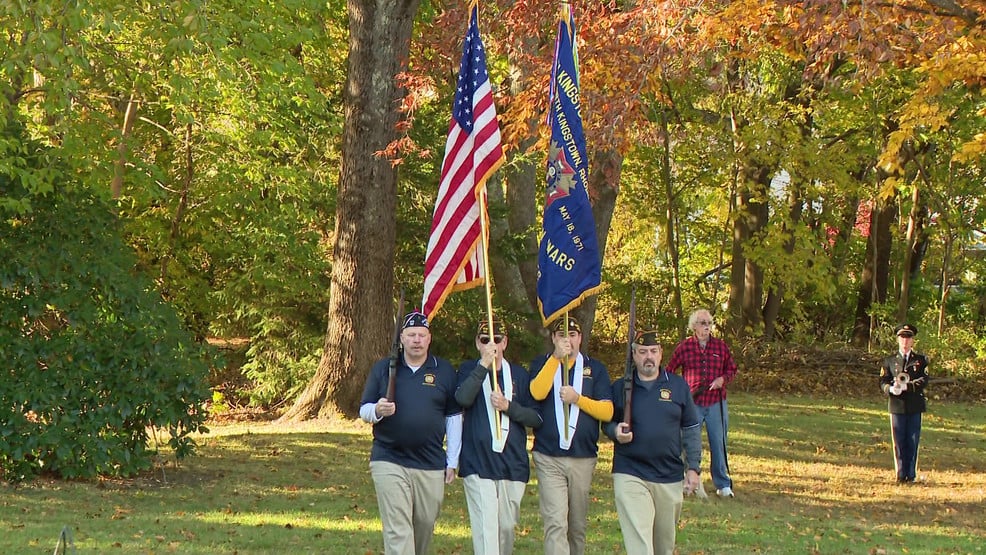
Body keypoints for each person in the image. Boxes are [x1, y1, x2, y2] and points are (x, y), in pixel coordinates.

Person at [359, 310, 463, 555]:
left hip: (430, 462)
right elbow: (364, 409)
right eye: (411, 334)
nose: (416, 340)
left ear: (429, 339)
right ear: (402, 339)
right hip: (389, 458)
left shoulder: (444, 371)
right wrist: (378, 409)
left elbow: (454, 417)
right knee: (398, 529)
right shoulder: (384, 368)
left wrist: (453, 460)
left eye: (421, 335)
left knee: (424, 524)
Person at [605, 329, 702, 555]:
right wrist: (614, 431)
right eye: (642, 352)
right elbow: (606, 423)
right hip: (630, 471)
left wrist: (694, 468)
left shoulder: (678, 386)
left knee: (663, 546)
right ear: (634, 355)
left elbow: (690, 428)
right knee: (640, 545)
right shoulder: (621, 387)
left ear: (661, 354)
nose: (648, 357)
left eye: (653, 351)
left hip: (668, 475)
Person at [456, 318, 543, 555]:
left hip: (512, 464)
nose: (491, 345)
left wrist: (508, 406)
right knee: (486, 528)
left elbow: (536, 418)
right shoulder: (467, 370)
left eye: (496, 340)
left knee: (505, 528)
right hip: (478, 461)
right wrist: (483, 365)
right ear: (477, 343)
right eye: (485, 340)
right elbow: (462, 399)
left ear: (505, 342)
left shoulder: (519, 375)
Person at [529, 315, 613, 555]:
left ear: (581, 338)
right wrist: (556, 359)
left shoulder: (595, 368)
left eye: (573, 336)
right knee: (556, 522)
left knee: (576, 526)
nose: (568, 341)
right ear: (554, 339)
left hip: (583, 457)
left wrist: (578, 399)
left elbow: (607, 412)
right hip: (549, 456)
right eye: (562, 336)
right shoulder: (542, 362)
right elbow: (536, 392)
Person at [665, 308, 737, 498]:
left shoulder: (720, 347)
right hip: (692, 403)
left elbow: (732, 369)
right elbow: (669, 371)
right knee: (689, 442)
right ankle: (688, 480)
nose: (707, 327)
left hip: (715, 403)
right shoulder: (684, 347)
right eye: (703, 323)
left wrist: (723, 379)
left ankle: (722, 483)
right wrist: (679, 392)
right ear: (694, 326)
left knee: (718, 442)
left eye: (709, 323)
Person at [879, 323, 930, 484]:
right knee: (899, 441)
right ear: (898, 339)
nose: (905, 341)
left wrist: (907, 386)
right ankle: (901, 474)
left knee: (912, 439)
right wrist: (890, 389)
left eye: (908, 338)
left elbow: (924, 380)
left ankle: (911, 474)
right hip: (897, 405)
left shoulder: (921, 361)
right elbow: (882, 381)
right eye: (902, 337)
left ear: (913, 340)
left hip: (914, 404)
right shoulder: (890, 361)